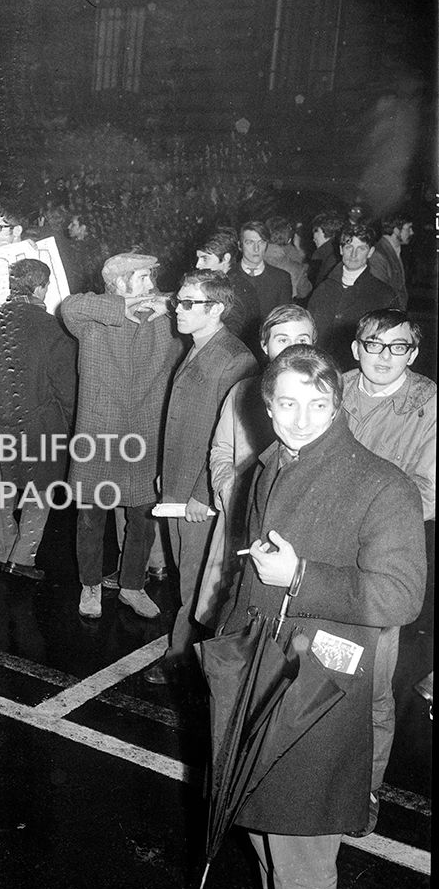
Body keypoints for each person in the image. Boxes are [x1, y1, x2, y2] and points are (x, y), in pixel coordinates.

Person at [217, 345, 425, 889]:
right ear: (268, 406)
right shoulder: (267, 466)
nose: (301, 418)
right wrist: (226, 652)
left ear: (338, 403)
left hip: (320, 692)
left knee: (302, 855)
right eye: (287, 403)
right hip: (256, 674)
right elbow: (250, 574)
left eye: (316, 403)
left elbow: (400, 596)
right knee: (258, 826)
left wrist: (303, 576)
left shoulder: (383, 485)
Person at [340, 309, 435, 834]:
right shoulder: (334, 388)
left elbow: (428, 489)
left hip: (380, 559)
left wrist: (356, 517)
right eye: (373, 344)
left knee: (371, 684)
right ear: (356, 348)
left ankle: (365, 789)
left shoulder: (428, 404)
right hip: (318, 553)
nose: (383, 356)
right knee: (313, 671)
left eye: (396, 347)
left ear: (412, 354)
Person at [145, 269, 258, 685]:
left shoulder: (234, 358)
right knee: (185, 577)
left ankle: (180, 660)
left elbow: (227, 437)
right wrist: (166, 476)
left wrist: (201, 493)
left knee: (195, 582)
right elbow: (181, 422)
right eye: (179, 300)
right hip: (179, 484)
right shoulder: (195, 347)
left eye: (189, 303)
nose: (178, 309)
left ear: (218, 309)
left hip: (201, 495)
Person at [61, 253, 179, 619]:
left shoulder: (168, 320)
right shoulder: (94, 319)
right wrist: (121, 307)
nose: (150, 284)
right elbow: (67, 306)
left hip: (146, 431)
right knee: (90, 518)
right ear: (119, 283)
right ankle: (91, 585)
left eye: (150, 277)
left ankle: (132, 586)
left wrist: (166, 304)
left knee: (143, 517)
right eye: (141, 278)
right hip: (100, 431)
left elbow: (199, 304)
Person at [196, 305, 317, 629]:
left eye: (302, 339)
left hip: (301, 527)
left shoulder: (325, 399)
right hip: (242, 518)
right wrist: (228, 487)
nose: (291, 348)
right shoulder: (242, 393)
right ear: (264, 346)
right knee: (229, 614)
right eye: (282, 339)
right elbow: (221, 448)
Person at [0, 258, 76, 580]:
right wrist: (71, 424)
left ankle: (5, 554)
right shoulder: (52, 327)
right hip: (41, 425)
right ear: (42, 287)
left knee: (3, 489)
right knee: (39, 494)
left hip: (0, 421)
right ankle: (21, 559)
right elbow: (65, 387)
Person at [309, 220, 397, 369]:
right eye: (349, 247)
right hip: (321, 368)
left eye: (361, 248)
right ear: (341, 250)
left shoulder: (384, 295)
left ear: (370, 252)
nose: (354, 254)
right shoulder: (323, 289)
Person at [195, 228, 260, 354]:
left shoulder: (232, 291)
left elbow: (229, 334)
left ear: (226, 258)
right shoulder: (231, 281)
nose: (198, 265)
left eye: (205, 259)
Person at [238, 221, 293, 321]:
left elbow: (284, 320)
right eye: (250, 242)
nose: (256, 249)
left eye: (261, 242)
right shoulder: (228, 277)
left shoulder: (281, 279)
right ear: (240, 246)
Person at [368, 213, 414, 309]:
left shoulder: (394, 251)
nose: (411, 232)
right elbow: (380, 295)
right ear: (396, 230)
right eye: (408, 228)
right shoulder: (379, 255)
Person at [264, 216, 311, 302]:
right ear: (289, 239)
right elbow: (304, 292)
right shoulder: (295, 268)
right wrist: (299, 252)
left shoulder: (252, 259)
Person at [307, 211, 343, 291]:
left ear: (327, 231)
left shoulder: (325, 257)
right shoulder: (336, 254)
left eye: (316, 231)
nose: (314, 237)